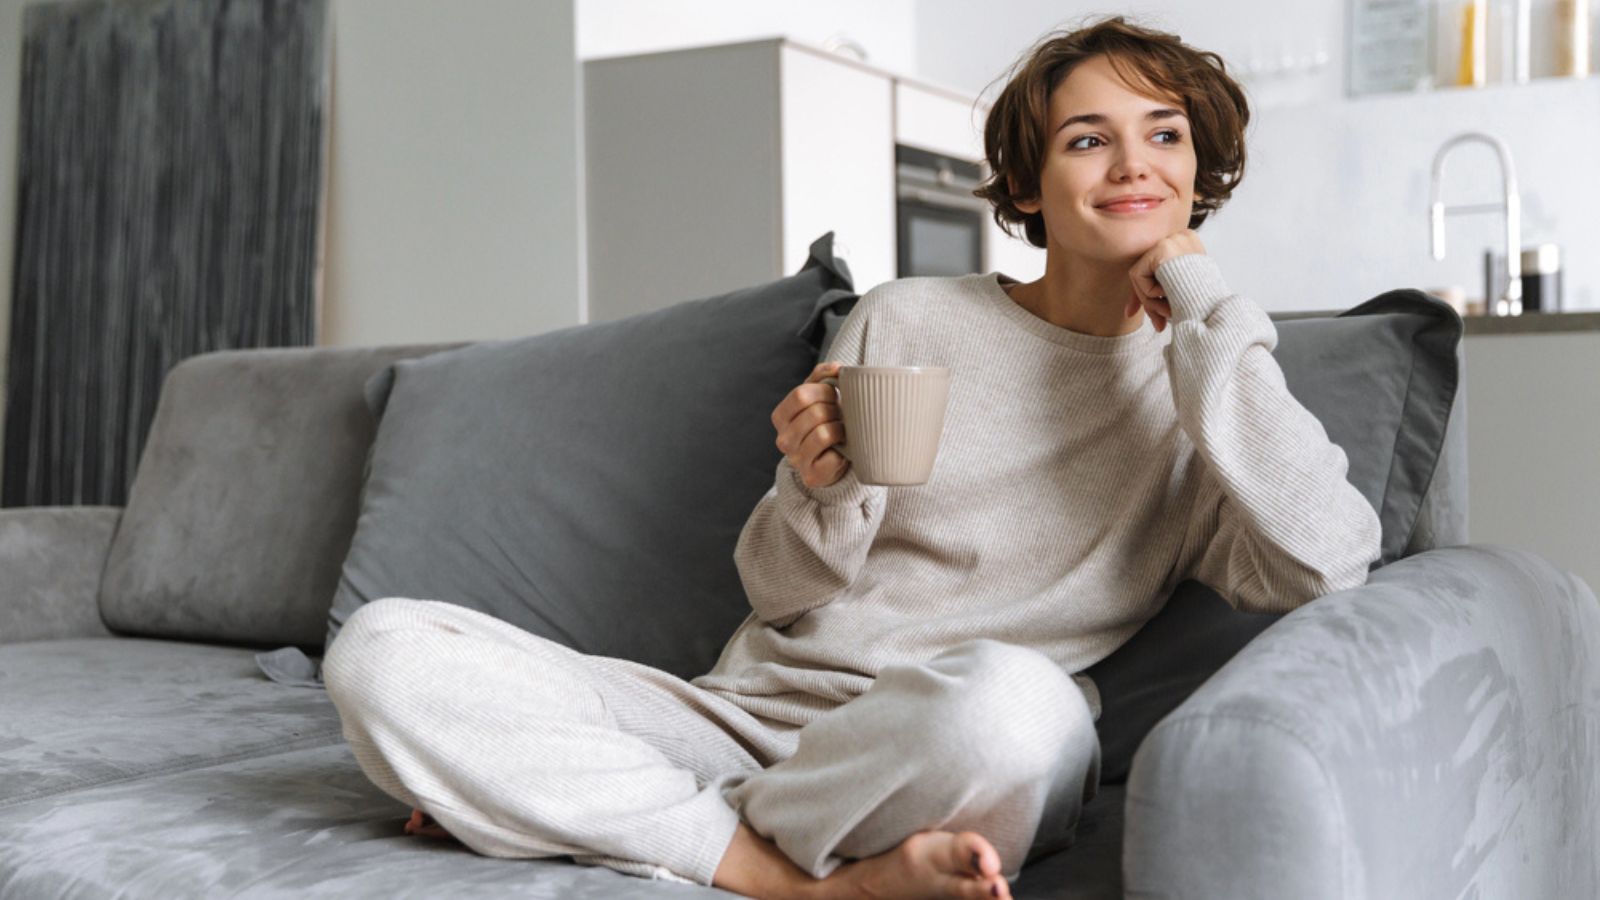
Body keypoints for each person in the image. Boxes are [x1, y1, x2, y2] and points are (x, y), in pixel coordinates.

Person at [322, 15, 1382, 900]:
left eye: (1164, 135)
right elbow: (777, 596)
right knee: (384, 650)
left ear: (1200, 168)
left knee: (1021, 712)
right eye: (1087, 140)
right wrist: (824, 493)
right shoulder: (907, 322)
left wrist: (1202, 307)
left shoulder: (1206, 403)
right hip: (749, 724)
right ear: (1028, 180)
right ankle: (790, 877)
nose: (1135, 165)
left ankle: (600, 811)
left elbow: (1325, 561)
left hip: (956, 746)